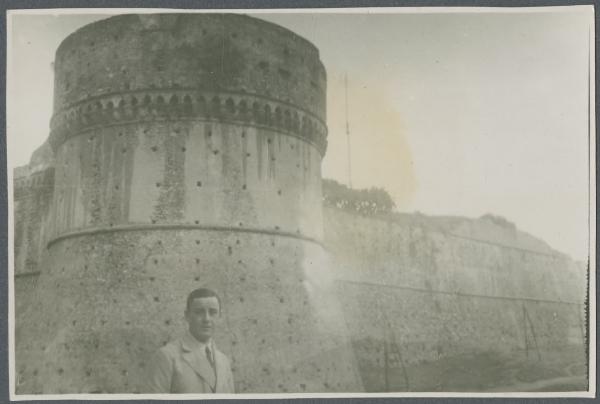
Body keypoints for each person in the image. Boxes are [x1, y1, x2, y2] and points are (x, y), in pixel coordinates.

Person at [144, 288, 235, 393]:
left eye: (213, 312)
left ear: (220, 316)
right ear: (187, 316)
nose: (207, 319)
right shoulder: (167, 357)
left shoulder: (223, 361)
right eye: (199, 312)